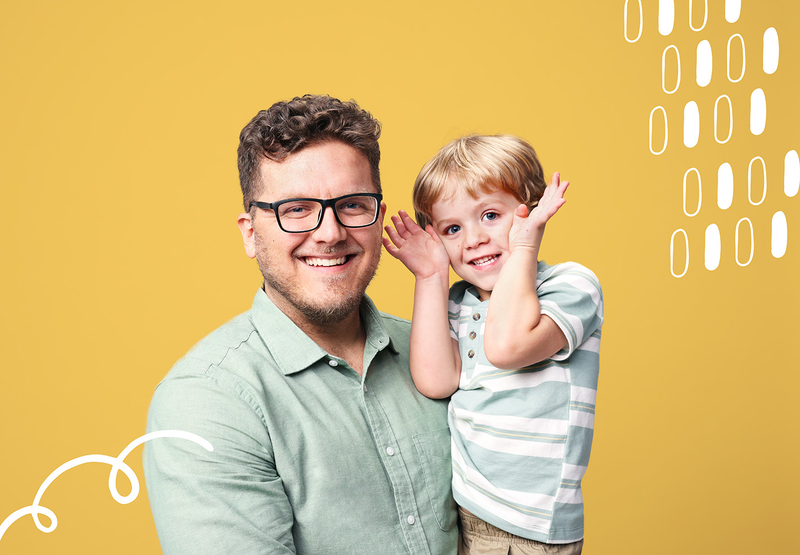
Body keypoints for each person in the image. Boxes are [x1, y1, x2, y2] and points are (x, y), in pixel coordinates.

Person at [143, 95, 457, 555]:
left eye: (351, 204)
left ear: (379, 219)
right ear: (250, 233)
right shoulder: (205, 401)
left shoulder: (441, 353)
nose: (330, 233)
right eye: (295, 209)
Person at [383, 135, 604, 554]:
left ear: (532, 210)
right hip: (466, 512)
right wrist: (431, 278)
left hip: (529, 525)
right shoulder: (457, 303)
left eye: (489, 215)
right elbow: (436, 380)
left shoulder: (569, 286)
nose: (474, 239)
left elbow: (506, 346)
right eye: (452, 229)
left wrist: (523, 246)